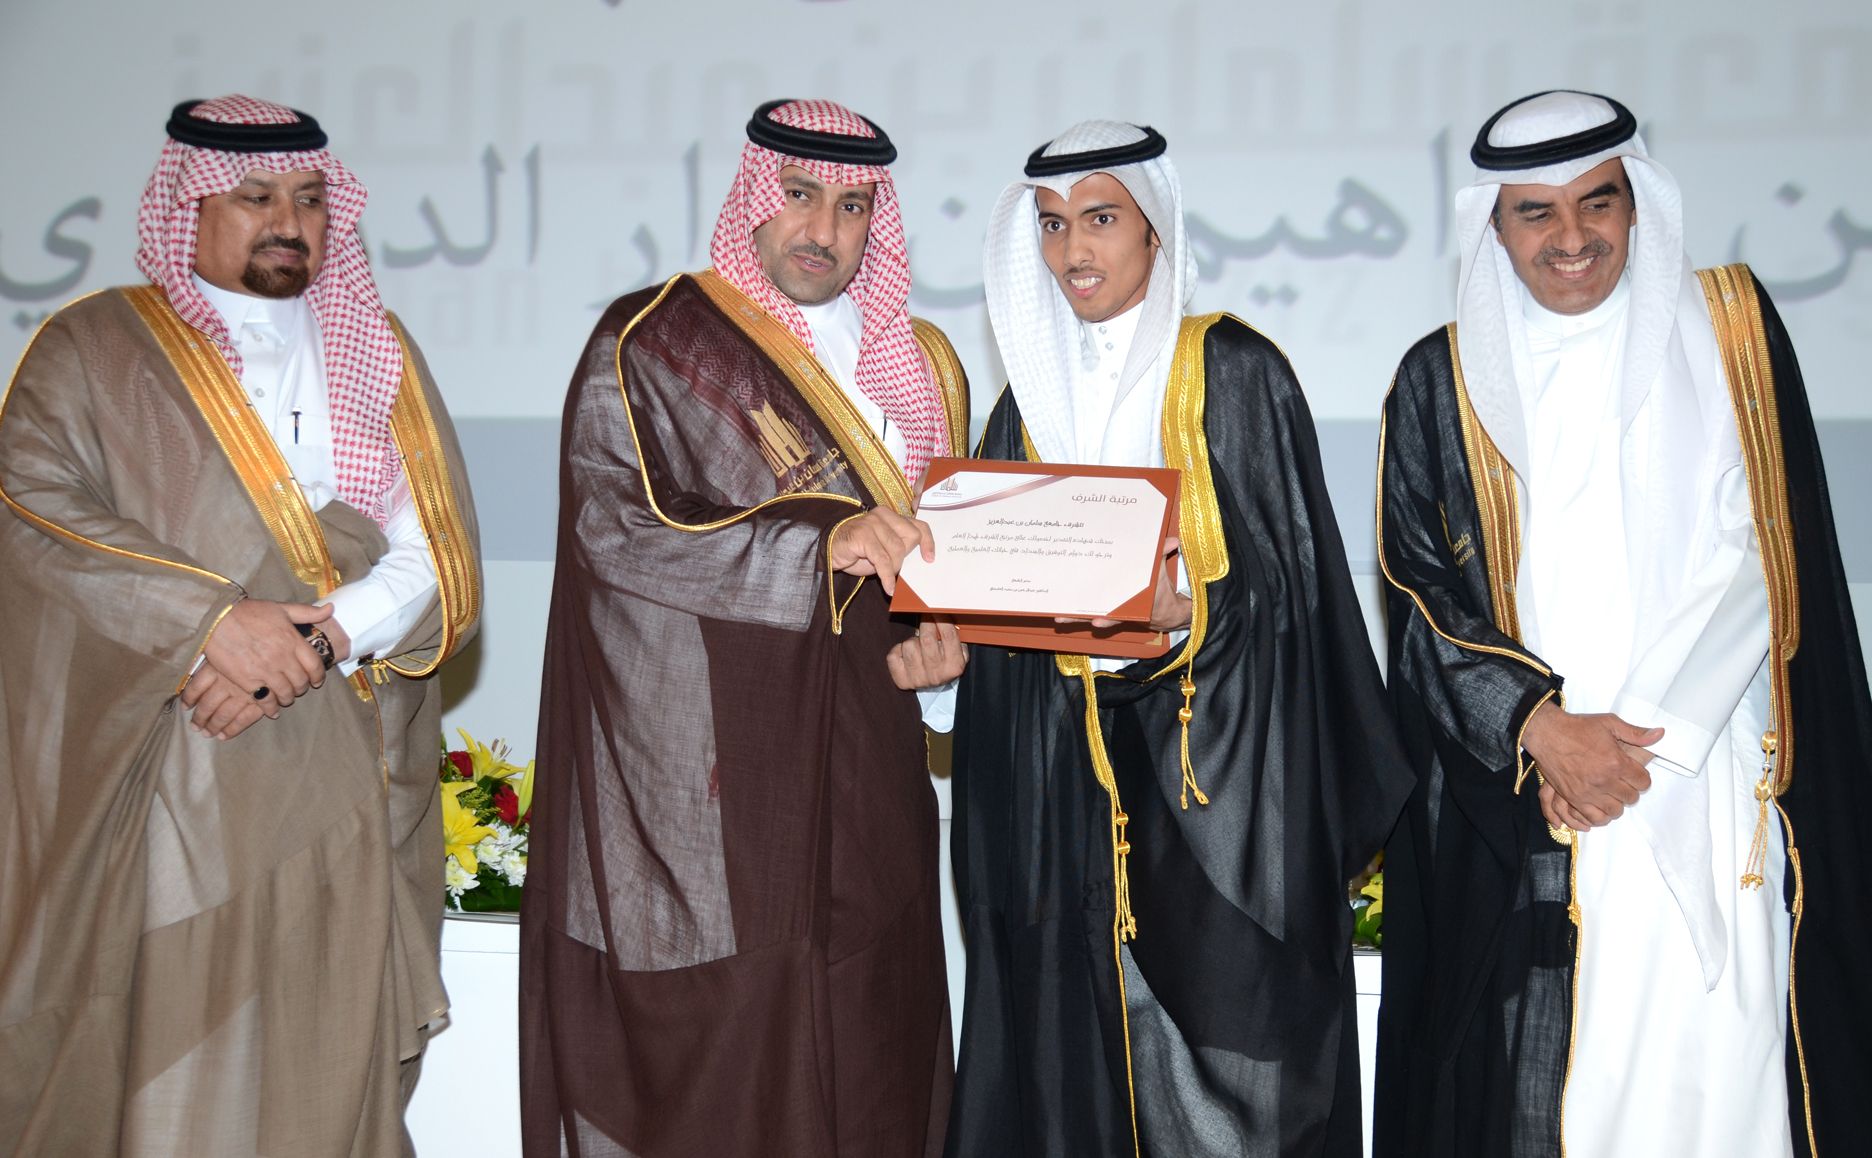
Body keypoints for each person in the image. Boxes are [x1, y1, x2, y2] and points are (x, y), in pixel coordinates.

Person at [1374, 89, 1872, 1157]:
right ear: (1496, 224)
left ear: (1636, 204)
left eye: (1596, 203)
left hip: (1704, 768)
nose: (1572, 237)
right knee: (1569, 1073)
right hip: (1538, 796)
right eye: (1536, 212)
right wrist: (1542, 729)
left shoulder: (1730, 333)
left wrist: (1640, 740)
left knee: (1724, 1062)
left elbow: (1764, 549)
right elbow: (1419, 594)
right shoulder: (1439, 379)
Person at [0, 95, 481, 1154]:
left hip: (349, 745)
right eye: (256, 197)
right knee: (181, 1036)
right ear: (190, 204)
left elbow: (436, 552)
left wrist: (312, 640)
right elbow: (32, 507)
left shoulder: (377, 346)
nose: (289, 223)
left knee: (327, 1035)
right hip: (181, 754)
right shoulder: (94, 346)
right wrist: (210, 622)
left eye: (309, 199)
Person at [946, 120, 1412, 1158]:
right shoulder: (1024, 408)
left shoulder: (1232, 370)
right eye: (1053, 225)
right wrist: (944, 664)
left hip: (1217, 804)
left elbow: (1296, 597)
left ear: (1155, 231)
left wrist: (1190, 619)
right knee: (1076, 1077)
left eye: (1101, 220)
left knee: (1239, 1092)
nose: (1074, 250)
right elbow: (996, 616)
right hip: (1070, 805)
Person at [520, 99, 969, 1157]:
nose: (824, 230)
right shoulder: (658, 338)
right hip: (723, 775)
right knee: (739, 1047)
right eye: (799, 195)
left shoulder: (924, 364)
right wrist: (814, 543)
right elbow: (613, 530)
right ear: (753, 198)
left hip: (871, 762)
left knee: (871, 1031)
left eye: (853, 207)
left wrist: (946, 678)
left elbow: (943, 572)